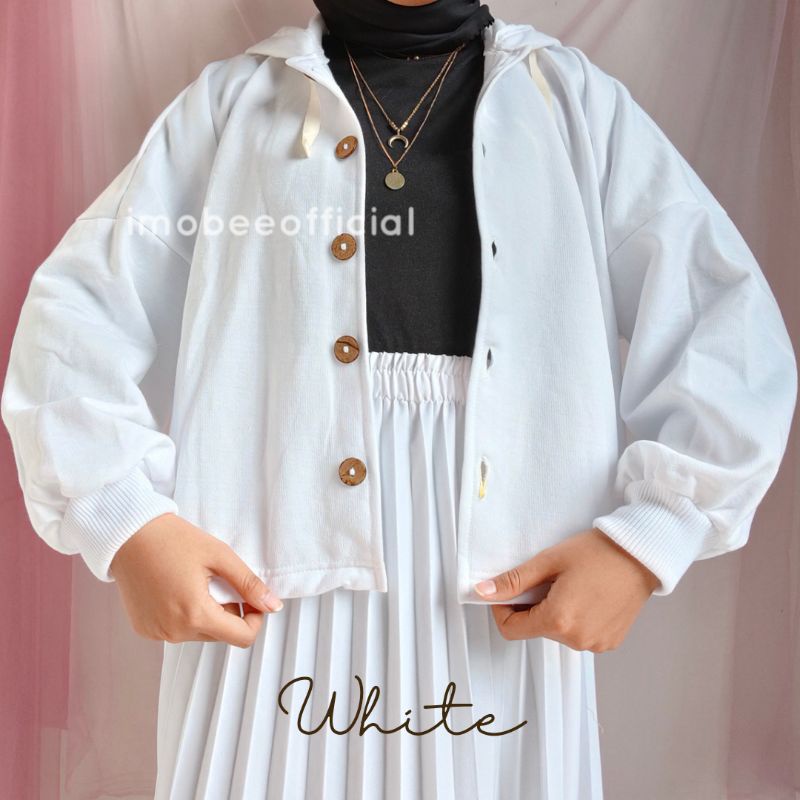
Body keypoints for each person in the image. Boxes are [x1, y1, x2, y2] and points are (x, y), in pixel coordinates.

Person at [2, 1, 796, 798]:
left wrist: (646, 540)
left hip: (503, 580)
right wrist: (127, 523)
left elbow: (725, 325)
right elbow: (74, 319)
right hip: (265, 564)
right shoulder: (234, 107)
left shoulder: (568, 103)